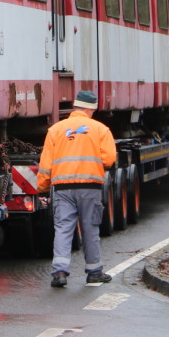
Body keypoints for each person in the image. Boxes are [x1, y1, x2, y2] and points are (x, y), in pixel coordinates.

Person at [37, 90, 117, 288]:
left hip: (63, 188)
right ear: (91, 109)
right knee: (90, 228)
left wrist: (42, 188)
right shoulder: (100, 129)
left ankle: (60, 273)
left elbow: (46, 164)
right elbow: (109, 159)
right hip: (90, 187)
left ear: (75, 106)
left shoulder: (55, 130)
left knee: (63, 228)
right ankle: (94, 271)